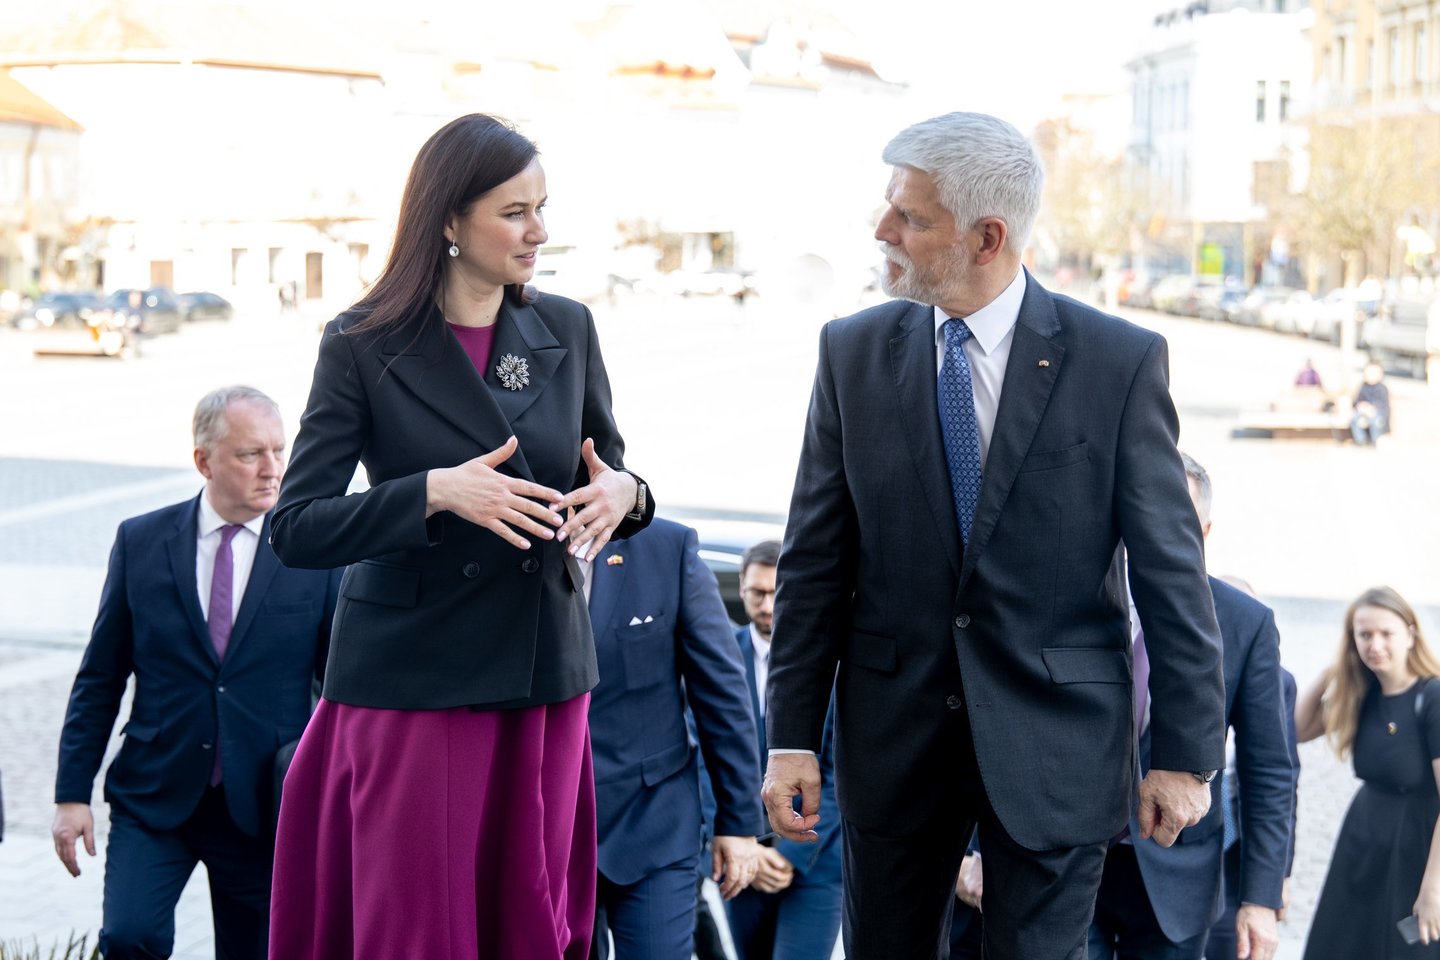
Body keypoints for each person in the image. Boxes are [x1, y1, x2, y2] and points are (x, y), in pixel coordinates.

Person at [762, 111, 1225, 960]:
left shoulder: (1117, 362)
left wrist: (1186, 756)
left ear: (987, 237)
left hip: (1057, 748)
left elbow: (1171, 571)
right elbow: (814, 562)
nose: (882, 230)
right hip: (895, 746)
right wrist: (790, 737)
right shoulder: (851, 354)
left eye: (910, 216)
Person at [266, 113, 654, 960]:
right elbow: (295, 528)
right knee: (420, 923)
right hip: (415, 675)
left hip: (543, 665)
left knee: (534, 915)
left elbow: (612, 476)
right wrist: (433, 493)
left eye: (542, 208)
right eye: (515, 212)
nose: (539, 231)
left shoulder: (569, 327)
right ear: (448, 218)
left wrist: (627, 495)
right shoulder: (361, 342)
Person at [51, 385, 340, 960]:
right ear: (203, 461)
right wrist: (71, 795)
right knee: (130, 937)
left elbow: (339, 689)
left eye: (278, 450)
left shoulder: (314, 551)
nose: (272, 469)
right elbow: (100, 678)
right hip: (155, 794)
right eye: (251, 454)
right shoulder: (141, 542)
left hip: (264, 805)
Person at [1088, 453, 1293, 960]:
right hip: (1071, 862)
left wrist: (1260, 899)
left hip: (1178, 882)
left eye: (1176, 517)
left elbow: (1268, 769)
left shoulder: (1246, 623)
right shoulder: (1077, 600)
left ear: (1204, 530)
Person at [585, 517, 763, 959]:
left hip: (654, 820)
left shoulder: (668, 546)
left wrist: (738, 824)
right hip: (546, 828)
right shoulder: (511, 541)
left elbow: (720, 692)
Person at [1296, 587, 1440, 957]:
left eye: (1386, 633)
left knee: (1408, 949)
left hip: (1416, 853)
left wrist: (1433, 888)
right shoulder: (1362, 693)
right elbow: (1296, 729)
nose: (1375, 644)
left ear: (1410, 635)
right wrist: (1335, 668)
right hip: (1362, 846)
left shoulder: (1433, 696)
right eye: (1364, 634)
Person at [727, 540, 843, 960]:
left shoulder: (832, 662)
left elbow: (841, 773)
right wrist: (744, 846)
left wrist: (789, 854)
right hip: (742, 856)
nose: (768, 605)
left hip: (816, 859)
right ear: (741, 588)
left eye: (776, 592)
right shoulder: (720, 654)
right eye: (757, 593)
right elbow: (706, 757)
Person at [1351, 361, 1390, 446]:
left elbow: (1381, 404)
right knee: (1354, 418)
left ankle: (1375, 440)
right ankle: (1361, 440)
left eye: (1373, 373)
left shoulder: (1382, 388)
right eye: (1367, 373)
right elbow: (1357, 401)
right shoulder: (1363, 387)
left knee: (1375, 420)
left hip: (1378, 414)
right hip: (1364, 412)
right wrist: (1360, 405)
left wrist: (1371, 408)